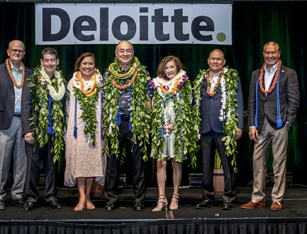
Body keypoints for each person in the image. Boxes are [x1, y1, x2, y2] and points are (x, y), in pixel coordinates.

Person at [243, 42, 299, 211]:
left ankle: (277, 199)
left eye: (273, 52)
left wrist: (288, 121)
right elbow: (252, 101)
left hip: (280, 124)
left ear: (279, 53)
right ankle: (258, 198)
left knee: (279, 162)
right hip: (260, 124)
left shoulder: (288, 73)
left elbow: (293, 100)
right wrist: (251, 124)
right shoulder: (256, 74)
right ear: (263, 53)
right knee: (257, 161)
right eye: (267, 53)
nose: (270, 55)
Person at [102, 41, 153, 211]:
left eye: (128, 51)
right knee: (112, 165)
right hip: (115, 124)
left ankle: (138, 199)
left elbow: (148, 99)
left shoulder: (142, 73)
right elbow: (103, 101)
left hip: (136, 124)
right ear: (116, 53)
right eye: (121, 51)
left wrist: (146, 122)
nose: (125, 54)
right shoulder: (108, 74)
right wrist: (104, 122)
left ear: (133, 52)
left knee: (138, 164)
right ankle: (111, 198)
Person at [194, 49, 243, 210]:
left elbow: (239, 101)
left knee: (226, 165)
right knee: (206, 165)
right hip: (205, 127)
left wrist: (238, 125)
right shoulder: (201, 78)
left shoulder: (231, 77)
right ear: (208, 61)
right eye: (213, 59)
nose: (215, 61)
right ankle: (207, 197)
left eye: (219, 59)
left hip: (224, 127)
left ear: (224, 62)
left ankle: (228, 197)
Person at [0, 40, 31, 210]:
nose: (17, 53)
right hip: (4, 123)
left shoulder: (30, 73)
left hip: (24, 123)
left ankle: (17, 195)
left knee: (21, 162)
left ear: (24, 54)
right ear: (8, 52)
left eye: (20, 51)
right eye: (14, 50)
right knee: (2, 161)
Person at [149, 56, 196, 212]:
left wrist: (174, 123)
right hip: (160, 128)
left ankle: (175, 196)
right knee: (160, 162)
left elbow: (188, 107)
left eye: (172, 67)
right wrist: (159, 123)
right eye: (166, 67)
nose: (169, 70)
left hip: (177, 128)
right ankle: (162, 198)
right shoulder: (156, 84)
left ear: (178, 68)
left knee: (176, 162)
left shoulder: (184, 83)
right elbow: (151, 106)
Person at [23, 47, 65, 210]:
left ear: (57, 62)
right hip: (36, 131)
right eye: (46, 60)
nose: (49, 63)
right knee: (33, 165)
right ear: (41, 62)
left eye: (52, 60)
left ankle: (50, 195)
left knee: (51, 165)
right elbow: (26, 106)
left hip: (54, 130)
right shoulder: (32, 80)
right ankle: (32, 197)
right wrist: (27, 130)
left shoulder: (60, 82)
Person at [64, 53, 106, 211]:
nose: (87, 66)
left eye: (91, 64)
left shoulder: (100, 82)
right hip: (78, 129)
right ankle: (82, 198)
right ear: (78, 66)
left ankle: (88, 197)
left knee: (92, 164)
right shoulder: (72, 83)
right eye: (84, 64)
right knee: (80, 163)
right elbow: (68, 107)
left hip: (95, 127)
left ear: (95, 66)